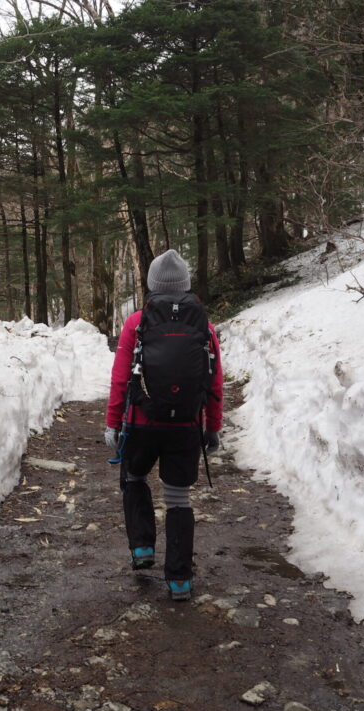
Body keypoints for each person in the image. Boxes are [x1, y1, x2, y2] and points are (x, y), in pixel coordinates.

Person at [104, 249, 223, 601]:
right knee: (178, 498)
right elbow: (214, 383)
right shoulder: (204, 326)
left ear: (152, 284)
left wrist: (113, 423)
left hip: (141, 423)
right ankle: (180, 580)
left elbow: (121, 379)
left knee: (133, 477)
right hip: (185, 425)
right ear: (186, 284)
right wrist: (212, 427)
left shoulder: (136, 323)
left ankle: (142, 547)